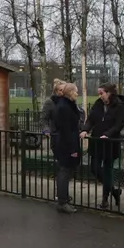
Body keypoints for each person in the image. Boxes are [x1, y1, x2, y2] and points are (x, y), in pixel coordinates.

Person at [80, 83, 124, 209]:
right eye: (99, 93)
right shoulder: (98, 104)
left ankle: (105, 199)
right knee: (94, 168)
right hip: (97, 141)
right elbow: (91, 119)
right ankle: (114, 191)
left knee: (108, 170)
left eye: (102, 93)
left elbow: (119, 124)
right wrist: (85, 129)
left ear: (109, 93)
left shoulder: (120, 107)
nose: (100, 96)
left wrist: (108, 134)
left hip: (110, 143)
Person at [52, 82, 81, 214]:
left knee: (66, 172)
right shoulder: (64, 107)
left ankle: (64, 198)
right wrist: (73, 149)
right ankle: (62, 201)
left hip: (66, 142)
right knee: (64, 172)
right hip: (66, 144)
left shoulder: (66, 105)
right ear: (70, 92)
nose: (77, 93)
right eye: (75, 91)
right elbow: (66, 130)